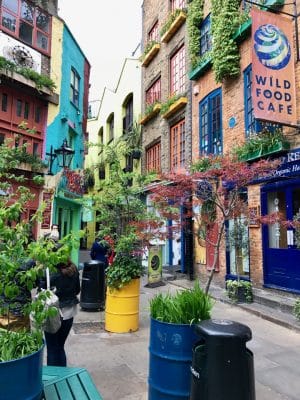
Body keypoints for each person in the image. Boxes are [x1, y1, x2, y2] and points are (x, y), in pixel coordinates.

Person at [41, 258, 80, 367]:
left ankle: (53, 378)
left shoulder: (48, 271)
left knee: (52, 347)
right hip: (69, 313)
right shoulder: (73, 269)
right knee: (60, 346)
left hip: (52, 313)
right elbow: (77, 290)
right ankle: (62, 374)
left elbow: (41, 290)